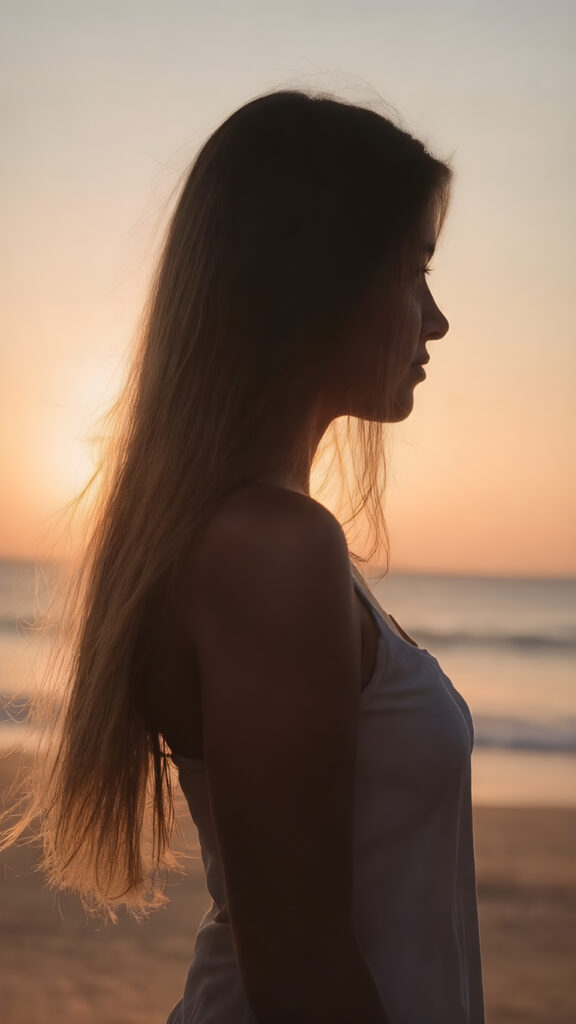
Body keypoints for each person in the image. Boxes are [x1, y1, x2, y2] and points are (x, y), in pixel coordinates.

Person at [0, 88, 485, 1022]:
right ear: (320, 281)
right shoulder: (272, 550)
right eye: (414, 271)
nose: (435, 320)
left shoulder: (268, 540)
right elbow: (301, 976)